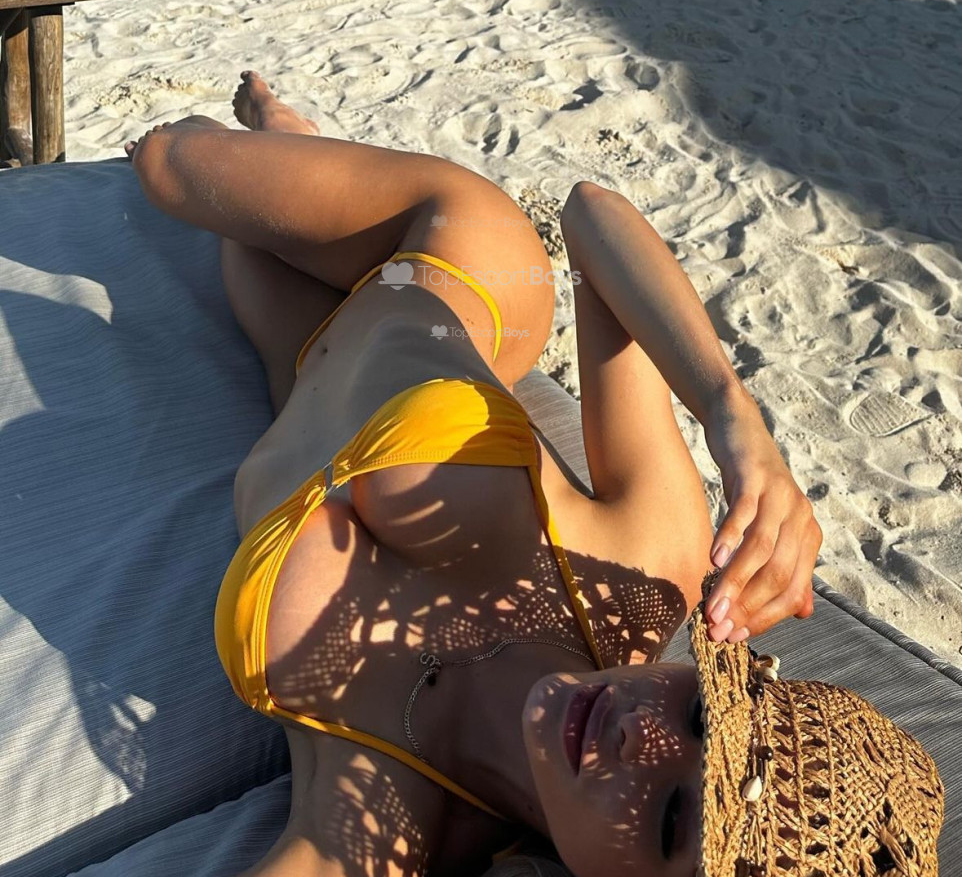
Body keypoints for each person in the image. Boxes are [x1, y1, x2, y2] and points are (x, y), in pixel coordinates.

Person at [122, 74, 941, 877]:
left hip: (301, 352)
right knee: (165, 160)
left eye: (672, 816)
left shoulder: (377, 827)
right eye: (699, 714)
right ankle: (281, 128)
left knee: (249, 227)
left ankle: (291, 139)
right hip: (446, 260)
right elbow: (591, 215)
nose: (640, 734)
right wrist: (734, 417)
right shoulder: (640, 575)